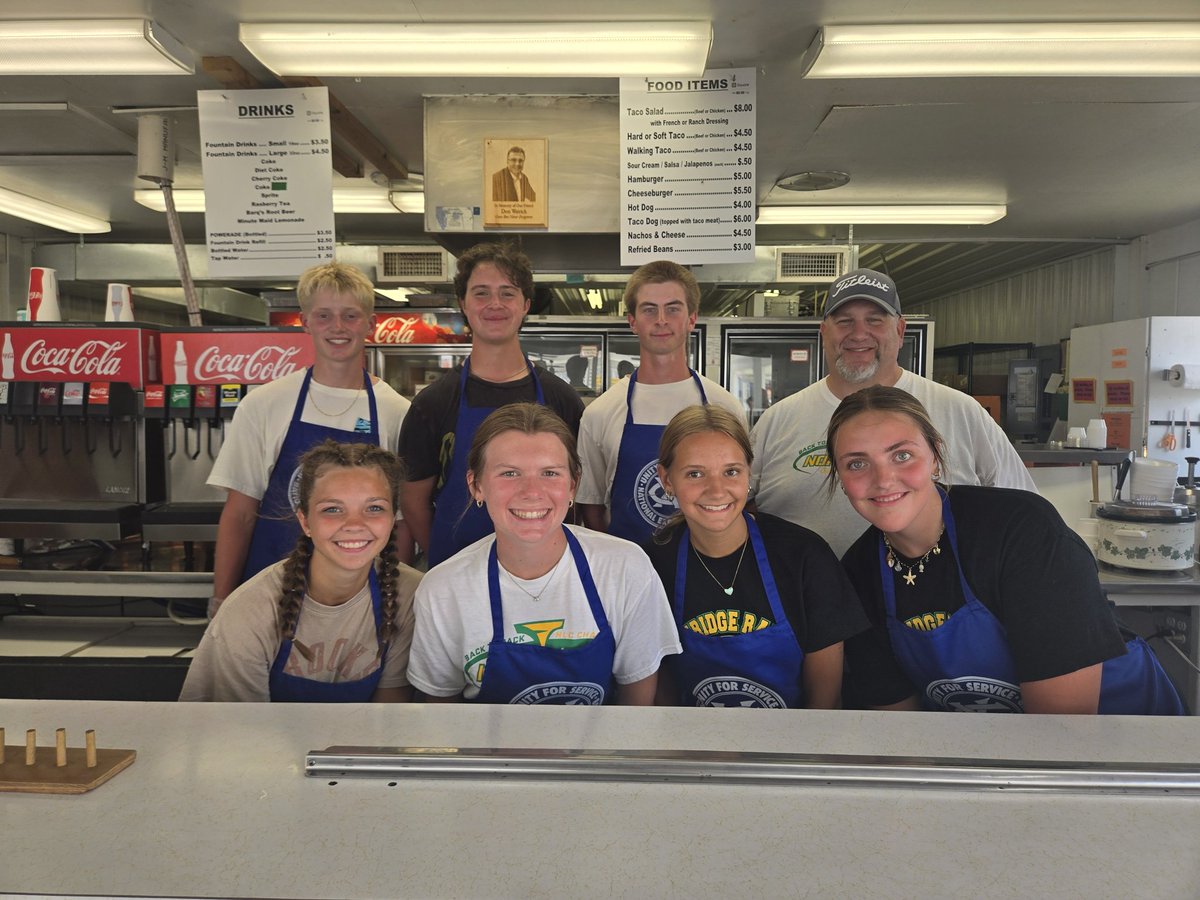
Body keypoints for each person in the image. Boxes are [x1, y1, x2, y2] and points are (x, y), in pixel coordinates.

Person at [827, 385, 1183, 715]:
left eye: (902, 455)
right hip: (986, 759)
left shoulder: (1020, 530)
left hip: (1123, 745)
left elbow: (1064, 726)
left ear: (936, 455)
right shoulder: (859, 574)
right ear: (841, 479)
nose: (883, 479)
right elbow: (898, 727)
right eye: (857, 463)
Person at [750, 267, 1037, 556]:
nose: (859, 334)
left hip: (940, 596)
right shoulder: (777, 421)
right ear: (824, 332)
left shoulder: (961, 411)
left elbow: (1024, 511)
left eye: (874, 320)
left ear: (900, 331)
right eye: (844, 321)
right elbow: (733, 509)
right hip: (799, 599)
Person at [407, 403, 680, 704]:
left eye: (550, 473)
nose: (532, 491)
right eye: (510, 473)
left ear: (573, 486)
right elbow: (441, 717)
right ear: (476, 486)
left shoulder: (625, 568)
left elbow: (636, 704)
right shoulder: (442, 590)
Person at [208, 261, 412, 615]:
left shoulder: (396, 410)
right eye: (324, 316)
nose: (337, 327)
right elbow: (239, 514)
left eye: (350, 316)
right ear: (304, 322)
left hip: (363, 598)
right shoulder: (265, 403)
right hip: (270, 592)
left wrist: (395, 600)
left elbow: (401, 521)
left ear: (370, 324)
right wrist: (222, 600)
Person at [645, 406, 869, 709]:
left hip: (792, 746)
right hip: (693, 746)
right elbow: (662, 688)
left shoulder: (804, 556)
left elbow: (825, 701)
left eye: (731, 472)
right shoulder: (653, 563)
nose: (716, 489)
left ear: (749, 473)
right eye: (695, 473)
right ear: (666, 480)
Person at [181, 441, 422, 702]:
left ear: (393, 518)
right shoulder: (250, 612)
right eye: (333, 509)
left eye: (374, 508)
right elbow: (236, 732)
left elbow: (389, 718)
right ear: (305, 521)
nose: (355, 524)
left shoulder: (411, 596)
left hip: (363, 742)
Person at [398, 242, 584, 567]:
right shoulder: (433, 403)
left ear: (525, 304)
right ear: (463, 303)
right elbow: (413, 501)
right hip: (457, 580)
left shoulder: (562, 400)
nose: (494, 304)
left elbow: (576, 495)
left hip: (546, 575)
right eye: (481, 293)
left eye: (507, 293)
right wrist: (451, 566)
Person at [577, 260, 744, 544]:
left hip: (705, 570)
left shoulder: (724, 406)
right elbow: (591, 506)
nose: (661, 320)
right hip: (628, 574)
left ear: (691, 318)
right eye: (649, 309)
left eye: (673, 308)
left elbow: (740, 494)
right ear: (632, 321)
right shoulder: (600, 413)